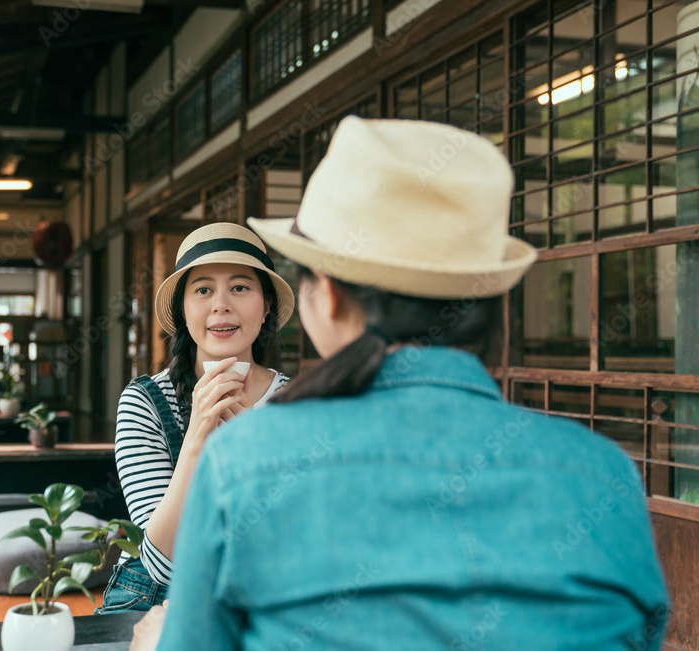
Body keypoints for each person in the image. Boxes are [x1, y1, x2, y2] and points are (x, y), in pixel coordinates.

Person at [130, 117, 669, 649]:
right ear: (490, 304)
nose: (221, 304)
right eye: (202, 291)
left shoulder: (245, 463)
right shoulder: (605, 475)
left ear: (328, 297)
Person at [95, 222, 295, 614]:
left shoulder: (300, 405)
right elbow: (161, 565)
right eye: (203, 290)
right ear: (183, 309)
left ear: (266, 305)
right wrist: (199, 435)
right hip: (154, 602)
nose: (221, 304)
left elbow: (292, 544)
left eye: (240, 287)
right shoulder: (145, 401)